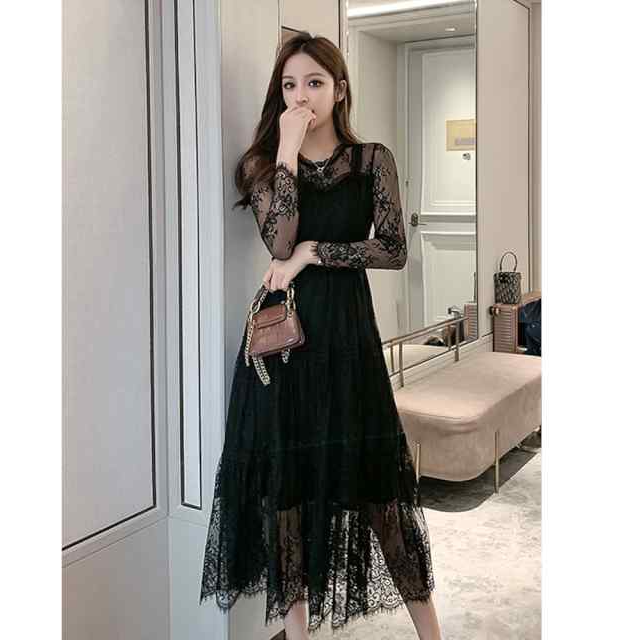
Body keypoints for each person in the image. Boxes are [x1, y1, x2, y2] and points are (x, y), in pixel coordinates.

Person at [199, 32, 443, 640]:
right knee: (288, 499)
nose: (301, 95)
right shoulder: (261, 166)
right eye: (290, 85)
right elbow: (278, 240)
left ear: (339, 89)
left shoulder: (371, 161)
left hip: (350, 342)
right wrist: (285, 148)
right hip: (286, 352)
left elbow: (392, 250)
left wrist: (315, 252)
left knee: (381, 489)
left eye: (314, 82)